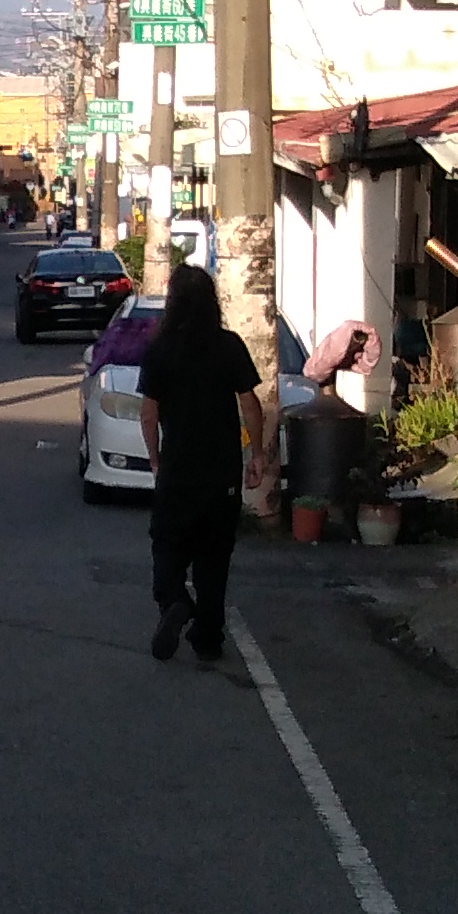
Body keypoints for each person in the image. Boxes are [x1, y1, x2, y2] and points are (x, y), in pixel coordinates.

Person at [135, 263, 265, 666]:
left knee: (167, 545)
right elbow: (249, 404)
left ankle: (174, 600)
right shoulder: (229, 345)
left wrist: (155, 458)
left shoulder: (159, 349)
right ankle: (208, 637)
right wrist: (256, 453)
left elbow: (149, 413)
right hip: (221, 473)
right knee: (214, 559)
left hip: (178, 470)